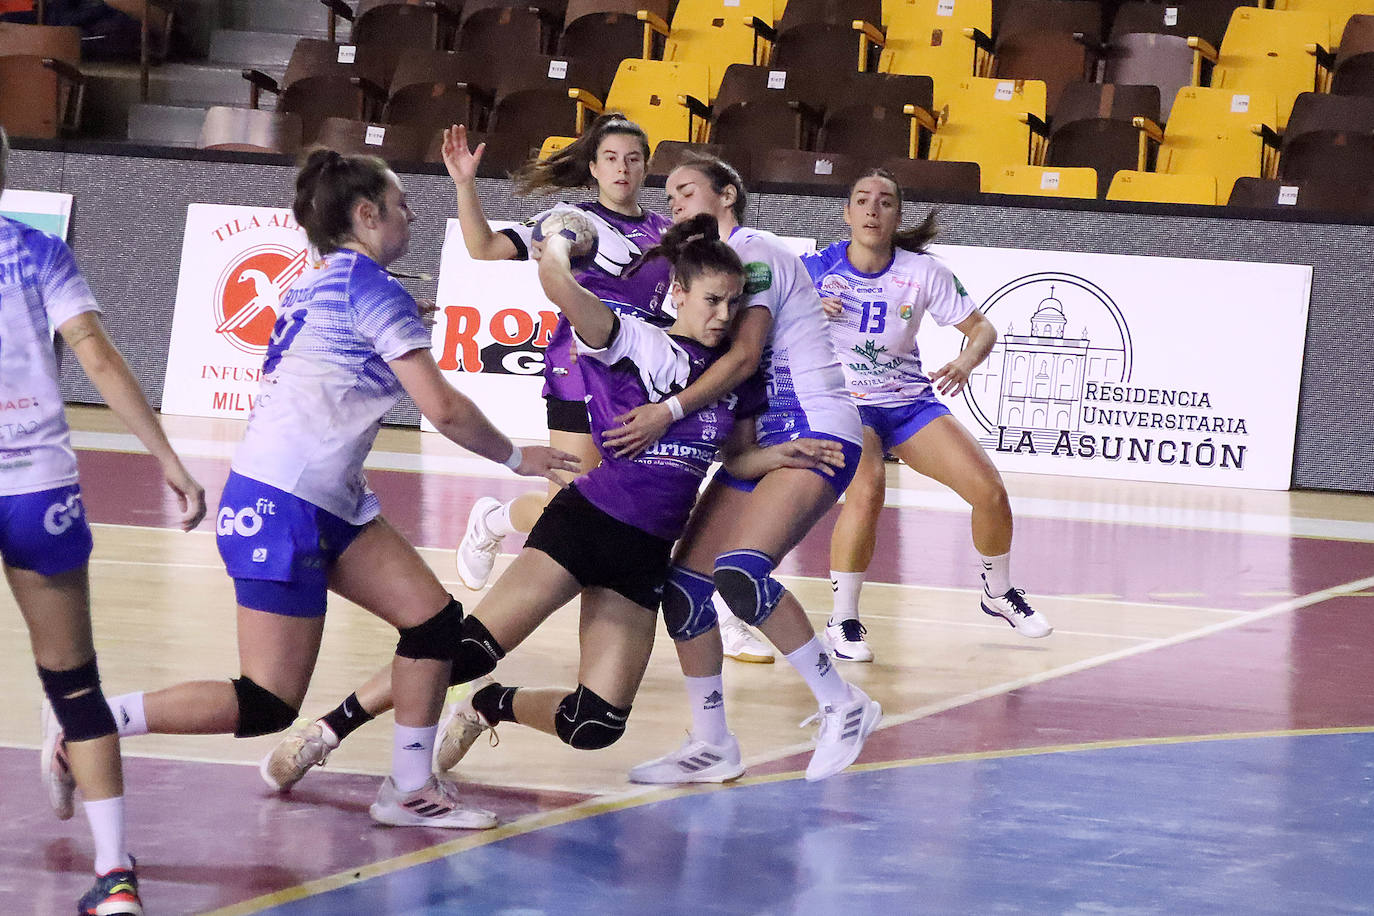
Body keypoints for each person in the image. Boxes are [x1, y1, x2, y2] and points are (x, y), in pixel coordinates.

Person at [82, 149, 577, 832]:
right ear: (367, 214)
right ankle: (95, 721)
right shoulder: (368, 290)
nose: (411, 214)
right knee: (267, 703)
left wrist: (400, 316)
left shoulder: (329, 280)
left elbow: (338, 351)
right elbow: (446, 409)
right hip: (282, 503)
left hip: (327, 498)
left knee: (433, 624)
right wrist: (521, 455)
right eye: (402, 204)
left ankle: (407, 787)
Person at [259, 214, 841, 791]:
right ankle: (327, 730)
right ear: (679, 293)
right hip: (586, 525)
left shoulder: (733, 379)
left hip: (643, 557)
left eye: (735, 304)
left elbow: (736, 458)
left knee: (596, 724)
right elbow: (561, 287)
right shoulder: (636, 338)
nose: (724, 316)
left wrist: (786, 455)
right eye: (713, 300)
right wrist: (559, 244)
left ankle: (491, 706)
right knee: (465, 651)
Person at [605, 156, 883, 785]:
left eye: (685, 191)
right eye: (669, 195)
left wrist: (665, 411)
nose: (673, 202)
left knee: (741, 572)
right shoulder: (712, 275)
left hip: (815, 429)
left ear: (727, 192)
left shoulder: (753, 252)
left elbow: (747, 352)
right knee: (683, 590)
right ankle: (711, 743)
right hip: (762, 440)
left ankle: (844, 703)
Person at [2, 126, 207, 915]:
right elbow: (96, 355)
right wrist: (168, 458)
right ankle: (114, 876)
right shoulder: (37, 251)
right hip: (37, 487)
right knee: (74, 684)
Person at [806, 169, 1052, 662]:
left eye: (885, 202)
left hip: (910, 400)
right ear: (846, 212)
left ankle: (997, 592)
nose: (873, 209)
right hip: (844, 401)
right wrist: (806, 309)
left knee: (990, 491)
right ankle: (843, 620)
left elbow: (982, 328)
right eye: (862, 199)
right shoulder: (812, 269)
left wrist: (965, 360)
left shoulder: (921, 271)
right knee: (868, 487)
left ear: (898, 215)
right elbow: (759, 320)